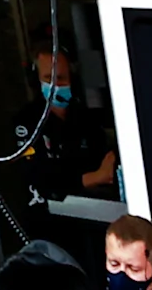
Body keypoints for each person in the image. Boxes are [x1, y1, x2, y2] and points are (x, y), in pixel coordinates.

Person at [11, 47, 118, 202]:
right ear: (35, 82)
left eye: (61, 78)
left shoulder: (85, 119)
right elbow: (40, 180)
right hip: (46, 217)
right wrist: (95, 178)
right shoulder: (26, 122)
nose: (55, 85)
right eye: (48, 78)